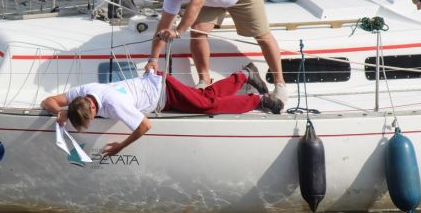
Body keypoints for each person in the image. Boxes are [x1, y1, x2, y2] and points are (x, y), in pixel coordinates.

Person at [41, 62, 280, 157]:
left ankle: (259, 100)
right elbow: (48, 100)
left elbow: (146, 125)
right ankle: (246, 74)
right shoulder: (81, 92)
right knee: (205, 97)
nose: (92, 122)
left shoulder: (114, 104)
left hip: (164, 91)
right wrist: (59, 113)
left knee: (207, 104)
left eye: (90, 120)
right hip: (158, 91)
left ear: (92, 109)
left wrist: (119, 147)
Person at [146, 0, 288, 111]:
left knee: (262, 36)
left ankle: (280, 84)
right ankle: (204, 80)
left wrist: (178, 31)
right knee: (198, 31)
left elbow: (196, 5)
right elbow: (163, 26)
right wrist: (153, 59)